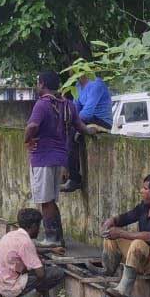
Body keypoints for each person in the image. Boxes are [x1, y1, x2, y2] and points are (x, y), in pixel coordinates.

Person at [25, 70, 97, 247]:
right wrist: (91, 131)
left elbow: (32, 126)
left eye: (38, 83)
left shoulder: (42, 105)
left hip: (42, 157)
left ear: (42, 83)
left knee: (45, 200)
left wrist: (27, 140)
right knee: (51, 199)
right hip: (60, 157)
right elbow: (80, 126)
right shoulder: (68, 105)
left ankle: (52, 238)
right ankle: (58, 237)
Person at [0, 208, 66, 297]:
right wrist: (39, 263)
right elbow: (41, 274)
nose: (39, 230)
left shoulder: (11, 235)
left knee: (31, 268)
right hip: (9, 287)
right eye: (39, 226)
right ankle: (24, 295)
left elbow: (31, 250)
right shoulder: (25, 242)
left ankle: (24, 291)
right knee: (57, 272)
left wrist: (51, 250)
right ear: (34, 226)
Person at [62, 74, 111, 193]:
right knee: (65, 130)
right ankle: (68, 172)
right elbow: (75, 109)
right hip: (86, 120)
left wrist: (73, 121)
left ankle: (74, 179)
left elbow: (86, 113)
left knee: (72, 130)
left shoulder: (96, 84)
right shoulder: (78, 86)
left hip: (101, 120)